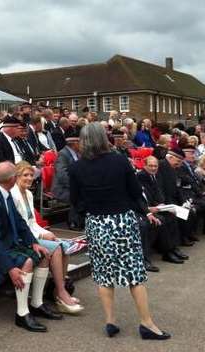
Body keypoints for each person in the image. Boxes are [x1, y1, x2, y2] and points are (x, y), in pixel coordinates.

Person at [69, 122, 170, 340]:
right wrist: (142, 211)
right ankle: (146, 323)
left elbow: (75, 202)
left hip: (96, 224)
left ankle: (111, 321)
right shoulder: (119, 161)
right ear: (104, 138)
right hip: (122, 221)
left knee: (104, 275)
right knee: (134, 273)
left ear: (84, 141)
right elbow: (135, 192)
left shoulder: (77, 167)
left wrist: (92, 209)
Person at [0, 162, 60, 333]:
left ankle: (37, 304)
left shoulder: (4, 191)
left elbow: (19, 221)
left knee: (44, 254)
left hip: (3, 243)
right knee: (26, 262)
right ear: (12, 179)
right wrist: (10, 267)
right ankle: (22, 314)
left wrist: (33, 242)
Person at [11, 161, 84, 314]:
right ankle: (61, 292)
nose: (30, 178)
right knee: (56, 248)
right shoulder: (14, 195)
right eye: (25, 175)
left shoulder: (29, 194)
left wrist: (47, 233)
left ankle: (59, 290)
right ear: (16, 176)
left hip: (32, 233)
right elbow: (21, 225)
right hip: (21, 238)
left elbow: (32, 222)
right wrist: (42, 234)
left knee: (64, 246)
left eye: (31, 175)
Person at [137, 156, 185, 265]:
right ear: (144, 166)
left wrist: (162, 203)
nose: (153, 168)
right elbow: (143, 197)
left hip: (157, 206)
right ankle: (167, 252)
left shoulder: (156, 175)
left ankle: (173, 247)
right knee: (163, 220)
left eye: (155, 166)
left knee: (175, 214)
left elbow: (159, 192)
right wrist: (154, 207)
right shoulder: (141, 176)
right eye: (151, 166)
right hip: (146, 209)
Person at [52, 128, 83, 230]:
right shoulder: (63, 155)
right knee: (79, 194)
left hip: (73, 186)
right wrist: (77, 185)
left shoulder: (78, 154)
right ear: (74, 143)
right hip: (62, 189)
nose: (83, 144)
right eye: (81, 142)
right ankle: (74, 222)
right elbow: (62, 175)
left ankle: (83, 219)